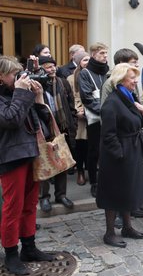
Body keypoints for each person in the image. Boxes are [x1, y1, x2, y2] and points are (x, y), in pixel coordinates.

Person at [0, 55, 55, 275]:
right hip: (11, 158)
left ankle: (29, 248)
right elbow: (10, 120)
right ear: (1, 76)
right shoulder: (12, 96)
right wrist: (22, 93)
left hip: (31, 153)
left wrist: (39, 98)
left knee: (30, 205)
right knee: (12, 208)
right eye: (14, 74)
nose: (19, 77)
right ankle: (11, 254)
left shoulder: (19, 94)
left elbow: (43, 123)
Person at [96, 63, 143, 248]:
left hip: (131, 150)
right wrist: (120, 154)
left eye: (135, 77)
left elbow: (137, 122)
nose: (135, 81)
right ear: (120, 80)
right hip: (117, 156)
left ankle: (127, 227)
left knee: (129, 190)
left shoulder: (129, 98)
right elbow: (108, 135)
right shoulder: (112, 103)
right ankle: (110, 233)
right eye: (131, 78)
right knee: (113, 193)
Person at [36, 56, 77, 212]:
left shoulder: (62, 82)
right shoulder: (37, 85)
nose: (52, 69)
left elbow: (71, 103)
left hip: (62, 128)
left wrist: (70, 122)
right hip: (44, 129)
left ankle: (61, 195)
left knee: (62, 163)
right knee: (45, 163)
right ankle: (44, 197)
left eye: (53, 66)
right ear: (40, 69)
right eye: (47, 67)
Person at [78, 42, 109, 198]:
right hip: (96, 118)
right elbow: (87, 97)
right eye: (102, 53)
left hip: (109, 117)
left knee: (107, 150)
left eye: (106, 53)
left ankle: (106, 180)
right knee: (94, 150)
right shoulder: (85, 73)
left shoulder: (108, 71)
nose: (105, 56)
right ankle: (94, 183)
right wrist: (105, 111)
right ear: (93, 54)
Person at [67, 51, 90, 186]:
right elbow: (71, 98)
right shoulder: (71, 78)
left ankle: (90, 171)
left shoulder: (93, 75)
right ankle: (80, 171)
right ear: (79, 61)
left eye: (89, 59)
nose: (87, 62)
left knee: (91, 146)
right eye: (84, 60)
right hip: (79, 116)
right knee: (80, 145)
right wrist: (78, 110)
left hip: (92, 114)